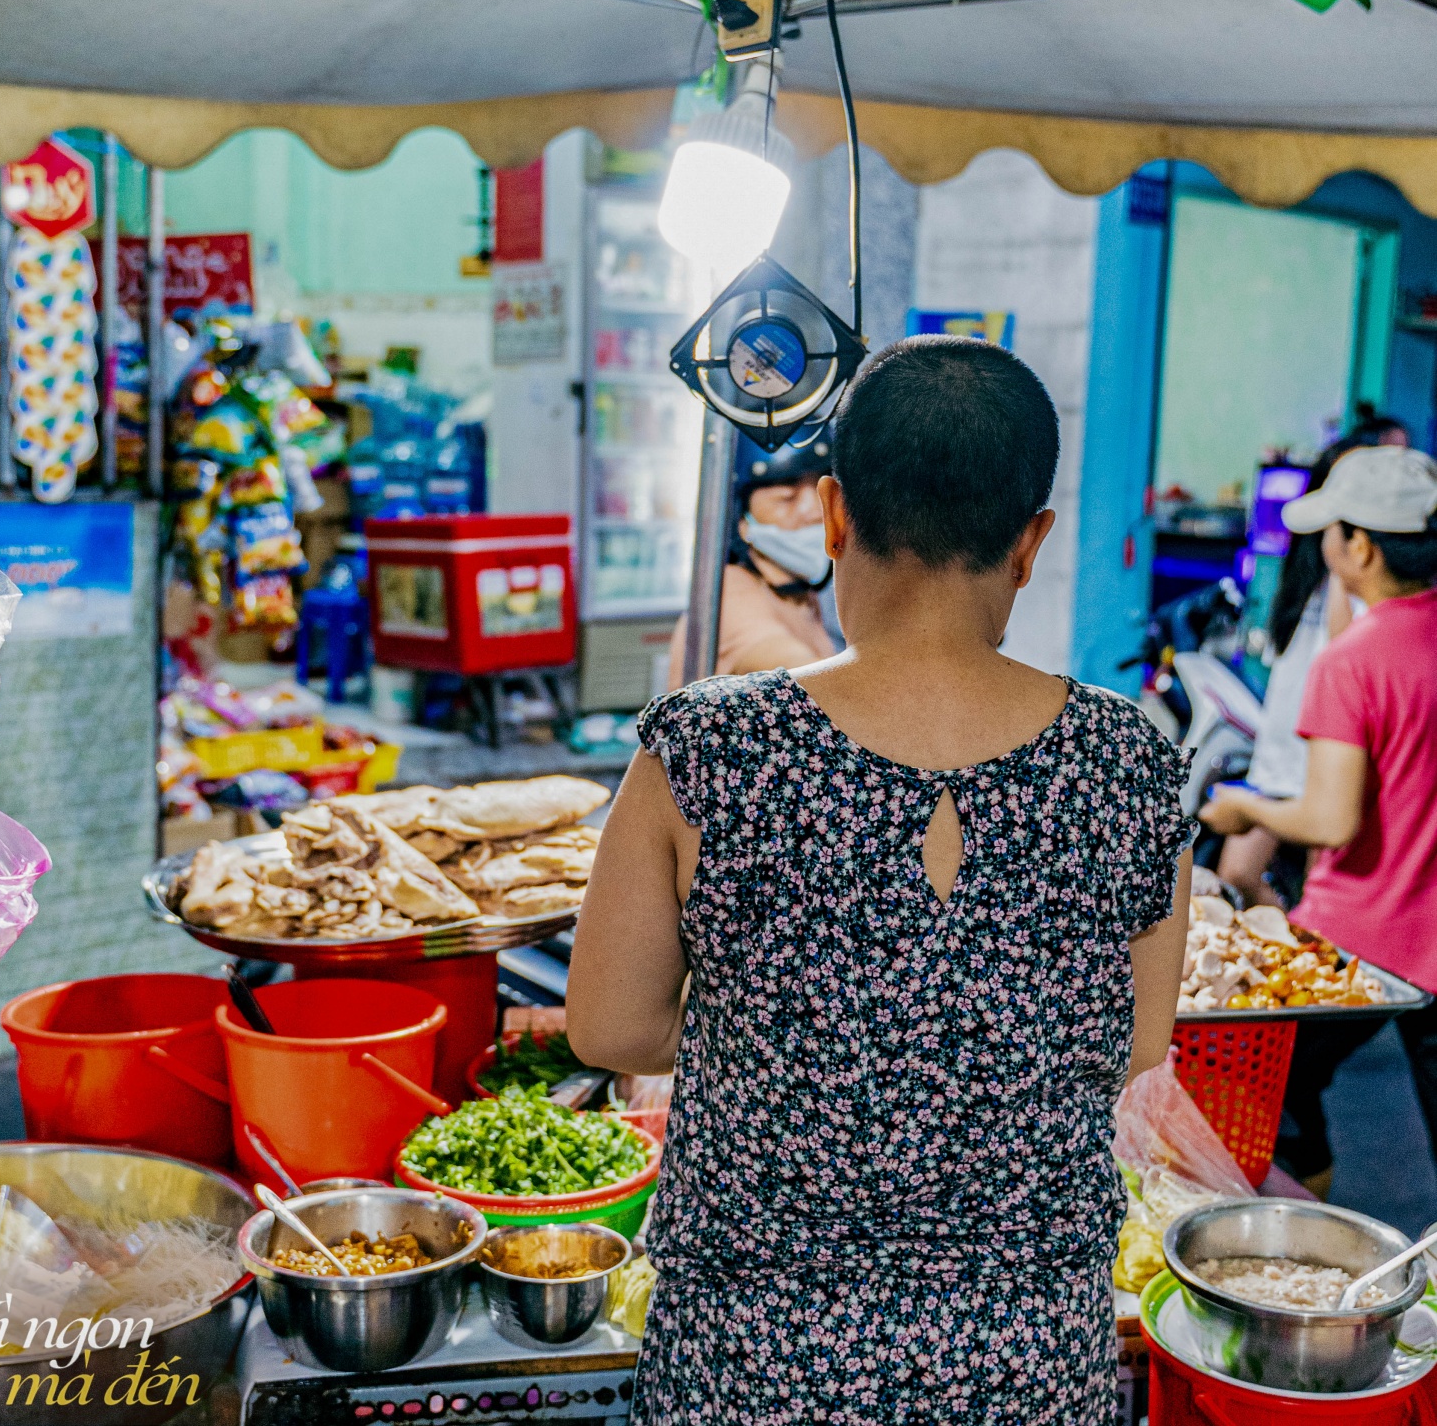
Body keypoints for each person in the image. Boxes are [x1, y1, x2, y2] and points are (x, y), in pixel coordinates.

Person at [569, 337, 1195, 1424]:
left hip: (754, 1368)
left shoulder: (709, 745)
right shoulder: (1131, 759)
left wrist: (779, 1027)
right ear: (1031, 540)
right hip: (1026, 1369)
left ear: (834, 514)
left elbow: (610, 1027)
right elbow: (1134, 1040)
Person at [1201, 444, 1437, 1196]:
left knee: (1268, 1097)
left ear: (1359, 546)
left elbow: (1330, 818)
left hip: (1366, 935)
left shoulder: (1353, 659)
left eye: (1332, 530)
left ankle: (1296, 1248)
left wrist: (1241, 808)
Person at [1217, 437, 1364, 907]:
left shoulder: (1356, 579)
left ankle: (1307, 970)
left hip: (1326, 763)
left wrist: (1343, 561)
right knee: (1236, 873)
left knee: (1320, 890)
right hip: (1278, 755)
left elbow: (1344, 650)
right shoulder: (1302, 570)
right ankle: (1292, 952)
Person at [666, 439, 835, 685]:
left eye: (824, 496)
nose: (816, 513)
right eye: (787, 498)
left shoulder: (800, 595)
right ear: (742, 521)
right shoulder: (727, 593)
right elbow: (805, 671)